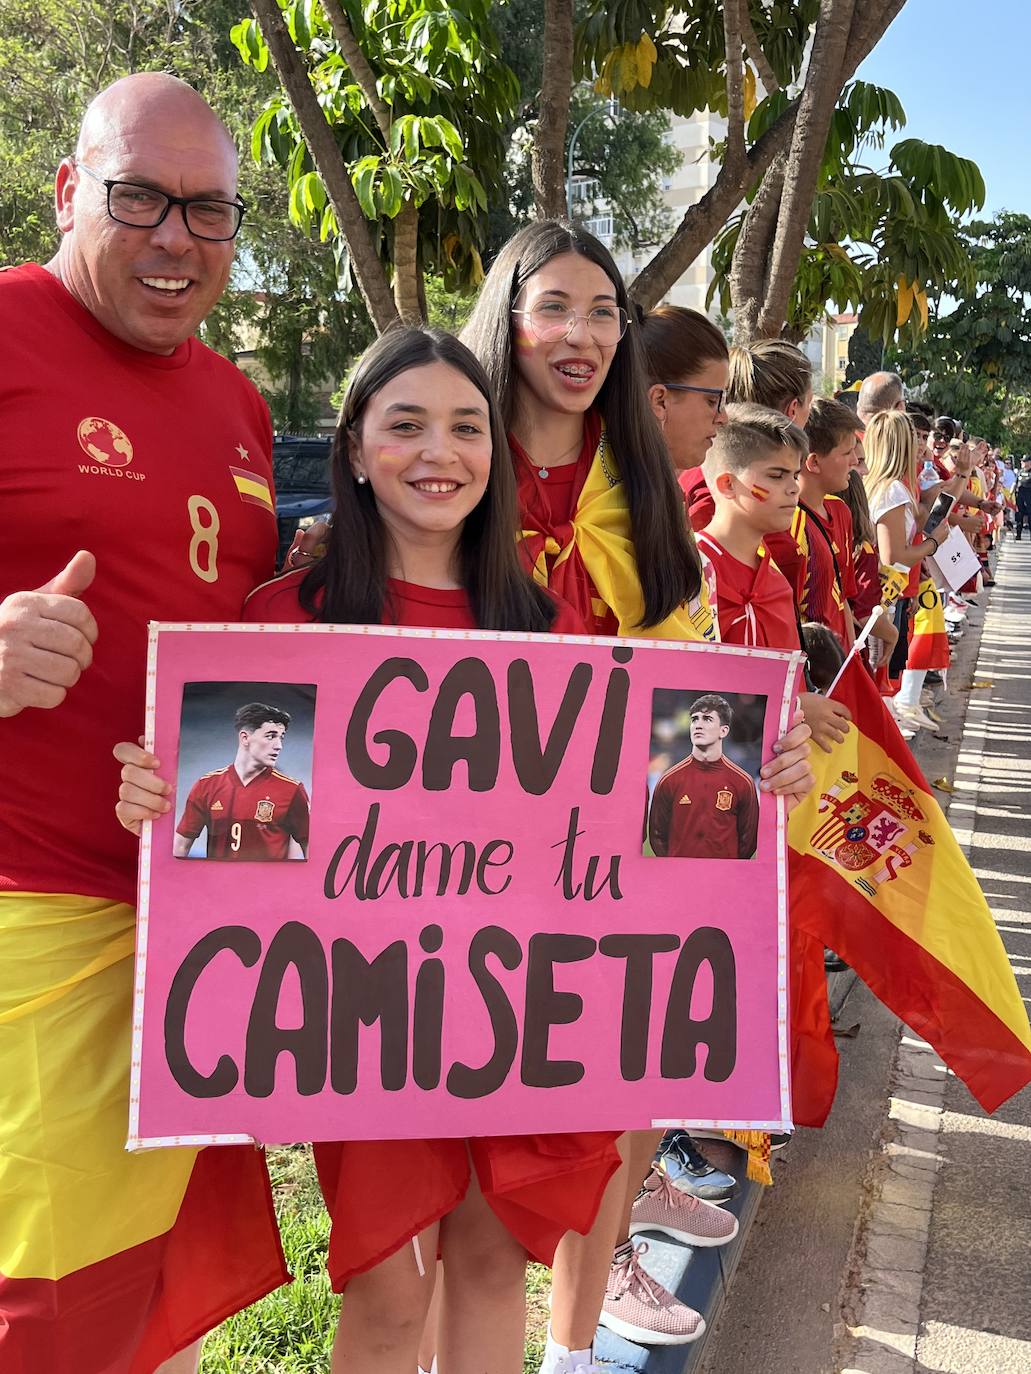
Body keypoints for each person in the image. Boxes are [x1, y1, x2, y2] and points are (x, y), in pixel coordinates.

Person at [117, 325, 622, 1374]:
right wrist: (162, 806)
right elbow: (232, 851)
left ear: (498, 456)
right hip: (367, 1003)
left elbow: (610, 815)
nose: (439, 452)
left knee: (490, 1263)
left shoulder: (552, 624)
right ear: (353, 448)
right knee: (392, 1284)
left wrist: (762, 772)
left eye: (466, 427)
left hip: (513, 991)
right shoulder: (278, 623)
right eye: (405, 425)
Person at [461, 221, 815, 1369]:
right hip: (445, 888)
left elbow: (690, 690)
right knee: (450, 1200)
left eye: (604, 312)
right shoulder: (446, 467)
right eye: (553, 307)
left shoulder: (642, 496)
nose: (579, 335)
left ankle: (573, 1348)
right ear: (504, 314)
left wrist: (765, 749)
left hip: (610, 884)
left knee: (605, 1133)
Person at [0, 74, 289, 1374]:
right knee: (46, 1318)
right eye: (140, 198)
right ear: (70, 191)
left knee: (144, 1309)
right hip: (30, 918)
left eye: (210, 209)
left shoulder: (239, 405)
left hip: (187, 931)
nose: (177, 236)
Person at [863, 411, 951, 735]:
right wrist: (933, 543)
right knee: (882, 677)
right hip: (885, 598)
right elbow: (893, 554)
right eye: (914, 438)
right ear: (901, 444)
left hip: (887, 594)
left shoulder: (881, 487)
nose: (921, 444)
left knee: (881, 675)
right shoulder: (892, 491)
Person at [677, 337, 815, 533]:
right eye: (776, 476)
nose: (793, 488)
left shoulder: (706, 470)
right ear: (792, 410)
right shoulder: (717, 495)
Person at [764, 396, 860, 652]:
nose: (855, 461)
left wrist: (851, 659)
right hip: (815, 670)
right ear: (814, 462)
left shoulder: (840, 511)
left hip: (841, 661)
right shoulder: (787, 525)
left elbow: (843, 598)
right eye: (847, 452)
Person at [174, 702, 310, 860]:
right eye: (271, 736)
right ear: (245, 738)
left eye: (281, 737)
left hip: (268, 884)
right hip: (218, 883)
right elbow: (181, 846)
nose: (279, 746)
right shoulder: (206, 785)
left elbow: (310, 848)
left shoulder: (292, 789)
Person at [647, 695, 760, 860]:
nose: (699, 725)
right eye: (695, 719)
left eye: (707, 719)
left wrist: (728, 864)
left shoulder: (742, 782)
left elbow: (749, 839)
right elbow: (657, 834)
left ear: (724, 730)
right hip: (679, 877)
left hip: (724, 878)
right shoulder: (670, 779)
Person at [1016, 457, 1031, 539]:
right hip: (1020, 497)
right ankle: (1018, 534)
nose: (1022, 463)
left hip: (1029, 496)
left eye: (1024, 461)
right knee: (1019, 515)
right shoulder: (1020, 472)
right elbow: (1015, 483)